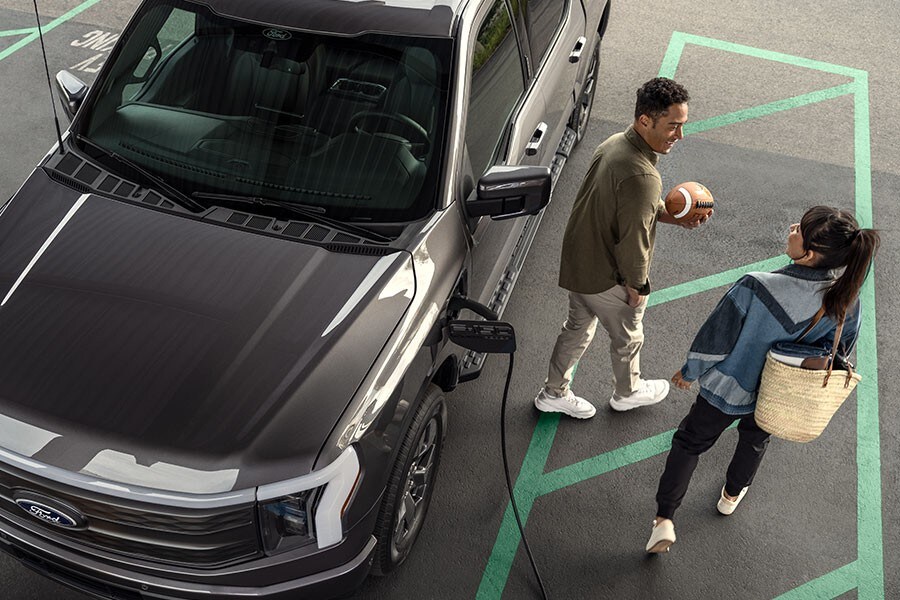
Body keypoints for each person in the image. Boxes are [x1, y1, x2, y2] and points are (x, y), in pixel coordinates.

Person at [645, 206, 880, 553]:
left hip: (727, 388)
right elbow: (842, 350)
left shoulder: (756, 286)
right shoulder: (846, 300)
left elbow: (716, 338)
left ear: (809, 253)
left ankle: (664, 519)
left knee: (689, 443)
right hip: (778, 393)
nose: (791, 228)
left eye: (798, 229)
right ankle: (731, 494)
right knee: (754, 440)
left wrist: (690, 371)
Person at [534, 77, 708, 419]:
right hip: (606, 276)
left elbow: (629, 207)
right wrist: (636, 285)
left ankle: (552, 392)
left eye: (683, 125)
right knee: (629, 337)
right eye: (673, 126)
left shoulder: (615, 144)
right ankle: (627, 392)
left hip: (579, 265)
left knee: (575, 330)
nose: (679, 136)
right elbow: (634, 238)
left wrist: (675, 219)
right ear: (645, 120)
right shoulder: (643, 176)